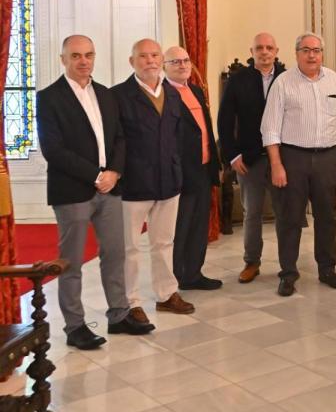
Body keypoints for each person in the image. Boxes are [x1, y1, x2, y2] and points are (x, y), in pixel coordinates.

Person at [37, 35, 155, 349]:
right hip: (73, 190)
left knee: (115, 254)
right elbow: (54, 150)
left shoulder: (105, 94)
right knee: (71, 262)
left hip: (111, 189)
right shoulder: (49, 98)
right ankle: (75, 326)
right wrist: (96, 176)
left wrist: (114, 173)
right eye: (75, 55)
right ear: (63, 59)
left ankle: (119, 315)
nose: (83, 61)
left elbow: (120, 138)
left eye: (88, 54)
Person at [261, 32, 336, 297]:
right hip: (293, 158)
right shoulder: (283, 83)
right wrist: (277, 165)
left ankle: (327, 269)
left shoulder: (332, 78)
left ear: (322, 53)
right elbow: (270, 129)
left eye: (317, 50)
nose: (312, 55)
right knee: (289, 218)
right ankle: (288, 273)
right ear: (296, 53)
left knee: (327, 216)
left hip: (326, 158)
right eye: (306, 50)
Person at [112, 39, 194, 319]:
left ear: (161, 60)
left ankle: (166, 294)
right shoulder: (118, 96)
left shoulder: (172, 94)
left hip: (168, 181)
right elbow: (114, 142)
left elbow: (177, 137)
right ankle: (130, 301)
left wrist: (178, 170)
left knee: (164, 241)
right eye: (143, 56)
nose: (150, 61)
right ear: (132, 61)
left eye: (154, 55)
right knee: (130, 247)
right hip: (133, 184)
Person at [217, 32, 286, 284]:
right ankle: (251, 262)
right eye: (259, 48)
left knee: (284, 212)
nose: (265, 52)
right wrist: (232, 155)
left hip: (283, 158)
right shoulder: (238, 80)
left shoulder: (288, 78)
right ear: (252, 51)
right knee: (252, 213)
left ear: (277, 51)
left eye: (269, 47)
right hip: (249, 158)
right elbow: (224, 121)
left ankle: (287, 264)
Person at [164, 46, 222, 291]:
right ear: (165, 66)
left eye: (186, 60)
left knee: (199, 224)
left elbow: (205, 129)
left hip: (203, 168)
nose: (182, 65)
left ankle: (193, 273)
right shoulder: (163, 94)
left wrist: (215, 164)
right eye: (175, 61)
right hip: (180, 172)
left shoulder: (195, 91)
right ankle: (175, 277)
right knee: (181, 226)